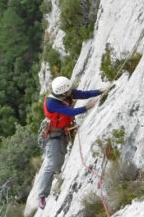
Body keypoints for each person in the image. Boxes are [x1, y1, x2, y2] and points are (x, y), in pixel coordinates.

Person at [38, 76, 102, 209]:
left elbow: (84, 94)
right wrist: (89, 107)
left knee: (59, 162)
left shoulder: (67, 93)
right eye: (67, 91)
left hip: (64, 131)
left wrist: (100, 91)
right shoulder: (52, 103)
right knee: (53, 164)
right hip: (53, 135)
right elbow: (70, 111)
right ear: (61, 92)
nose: (70, 92)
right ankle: (42, 195)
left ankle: (57, 175)